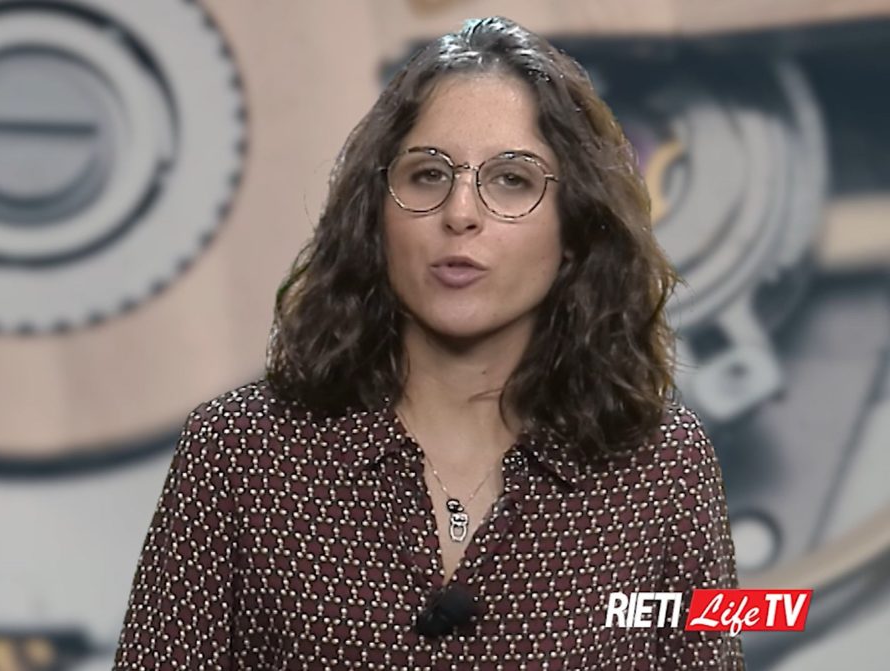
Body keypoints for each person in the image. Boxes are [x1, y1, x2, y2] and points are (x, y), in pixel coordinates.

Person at [113, 15, 743, 670]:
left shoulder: (664, 467)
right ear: (375, 215)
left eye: (512, 180)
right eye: (428, 175)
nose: (460, 213)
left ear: (574, 230)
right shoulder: (237, 455)